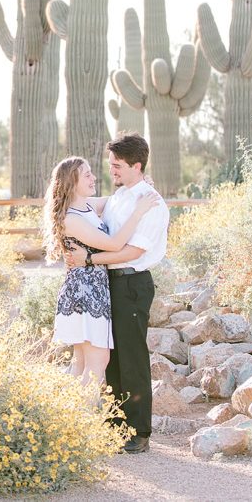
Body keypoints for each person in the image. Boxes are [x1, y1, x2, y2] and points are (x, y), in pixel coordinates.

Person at [65, 133, 169, 455]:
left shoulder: (151, 204)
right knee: (111, 358)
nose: (112, 171)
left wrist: (90, 259)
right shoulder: (121, 197)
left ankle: (139, 432)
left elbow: (131, 250)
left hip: (132, 284)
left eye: (118, 166)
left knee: (133, 357)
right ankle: (114, 426)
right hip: (107, 285)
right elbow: (82, 207)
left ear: (136, 166)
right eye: (110, 165)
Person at [43, 156, 158, 391]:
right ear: (71, 181)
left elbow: (116, 200)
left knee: (82, 362)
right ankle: (84, 422)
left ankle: (71, 420)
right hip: (86, 292)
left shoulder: (87, 206)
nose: (93, 177)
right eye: (86, 174)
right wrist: (139, 211)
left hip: (90, 290)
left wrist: (139, 185)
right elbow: (114, 244)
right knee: (97, 362)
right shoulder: (71, 219)